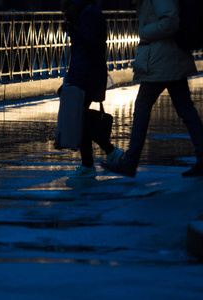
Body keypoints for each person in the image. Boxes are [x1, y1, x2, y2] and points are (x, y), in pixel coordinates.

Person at [102, 0, 203, 178]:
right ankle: (202, 159)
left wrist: (145, 31)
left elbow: (170, 20)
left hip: (161, 59)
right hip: (167, 57)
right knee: (186, 110)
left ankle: (130, 162)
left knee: (142, 107)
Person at [61, 0, 123, 178]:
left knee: (79, 117)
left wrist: (73, 30)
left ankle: (107, 152)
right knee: (80, 117)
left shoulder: (88, 13)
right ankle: (91, 162)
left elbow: (90, 44)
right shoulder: (89, 11)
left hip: (86, 75)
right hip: (87, 73)